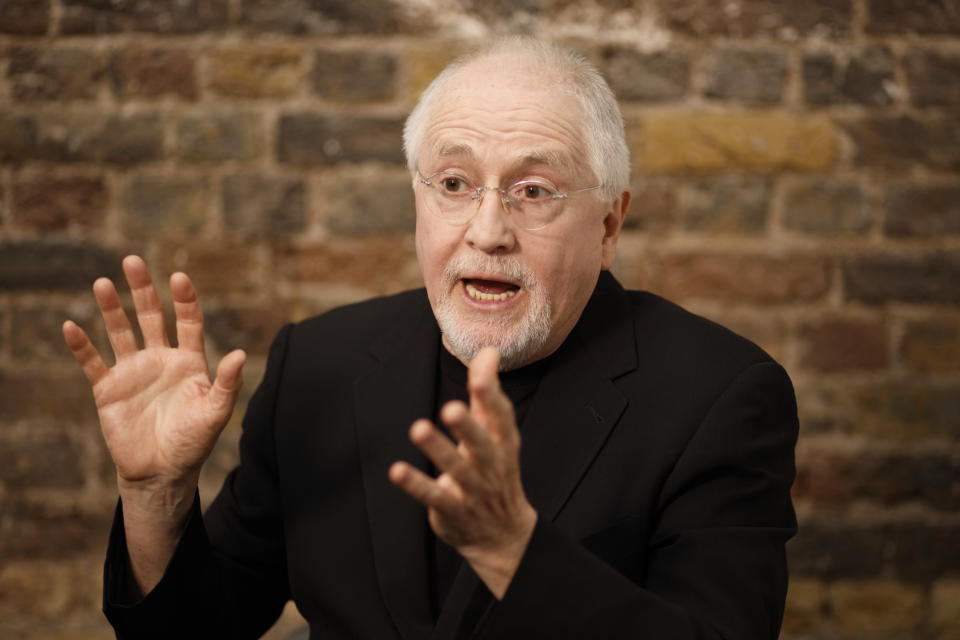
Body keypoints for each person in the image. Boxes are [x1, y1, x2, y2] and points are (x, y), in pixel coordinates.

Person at [63, 36, 798, 639]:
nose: (487, 231)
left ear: (608, 225)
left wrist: (514, 551)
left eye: (533, 191)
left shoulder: (722, 397)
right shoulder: (318, 366)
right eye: (454, 184)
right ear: (419, 199)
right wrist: (154, 494)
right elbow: (190, 633)